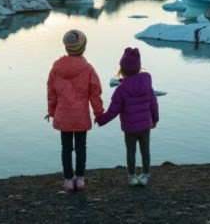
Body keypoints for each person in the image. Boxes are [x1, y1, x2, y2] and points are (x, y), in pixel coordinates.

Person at [45, 29, 104, 192]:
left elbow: (51, 93)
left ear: (66, 47)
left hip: (63, 115)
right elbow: (95, 93)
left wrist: (52, 111)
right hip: (81, 115)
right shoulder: (88, 69)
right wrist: (99, 113)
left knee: (66, 148)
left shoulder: (56, 69)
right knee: (81, 147)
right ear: (83, 48)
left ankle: (68, 180)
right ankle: (80, 179)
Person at [96, 47, 159, 186]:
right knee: (145, 150)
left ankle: (132, 177)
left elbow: (113, 111)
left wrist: (101, 119)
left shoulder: (121, 90)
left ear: (122, 69)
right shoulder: (147, 85)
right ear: (138, 67)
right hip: (145, 125)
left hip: (130, 127)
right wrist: (155, 119)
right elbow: (154, 104)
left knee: (131, 151)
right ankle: (145, 175)